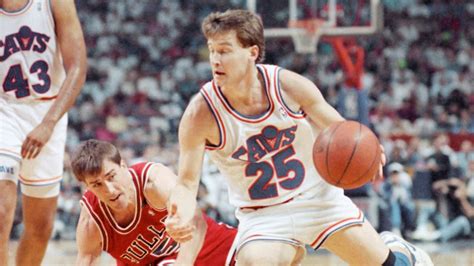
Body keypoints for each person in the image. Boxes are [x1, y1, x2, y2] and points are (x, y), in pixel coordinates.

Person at [168, 9, 433, 266]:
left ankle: (398, 250)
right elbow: (187, 182)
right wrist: (180, 212)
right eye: (212, 50)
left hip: (319, 200)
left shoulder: (287, 86)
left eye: (224, 50)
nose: (215, 59)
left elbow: (340, 129)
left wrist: (369, 148)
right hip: (263, 216)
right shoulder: (200, 113)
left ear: (252, 53)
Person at [0, 0, 87, 264]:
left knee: (41, 227)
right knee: (1, 210)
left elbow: (78, 66)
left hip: (49, 110)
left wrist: (48, 123)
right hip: (5, 109)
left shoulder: (54, 2)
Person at [71, 139, 236, 265]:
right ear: (87, 188)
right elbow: (87, 260)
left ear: (123, 166)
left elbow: (197, 222)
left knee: (256, 254)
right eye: (97, 184)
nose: (110, 190)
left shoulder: (154, 181)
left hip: (206, 244)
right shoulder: (92, 223)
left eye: (111, 176)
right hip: (157, 263)